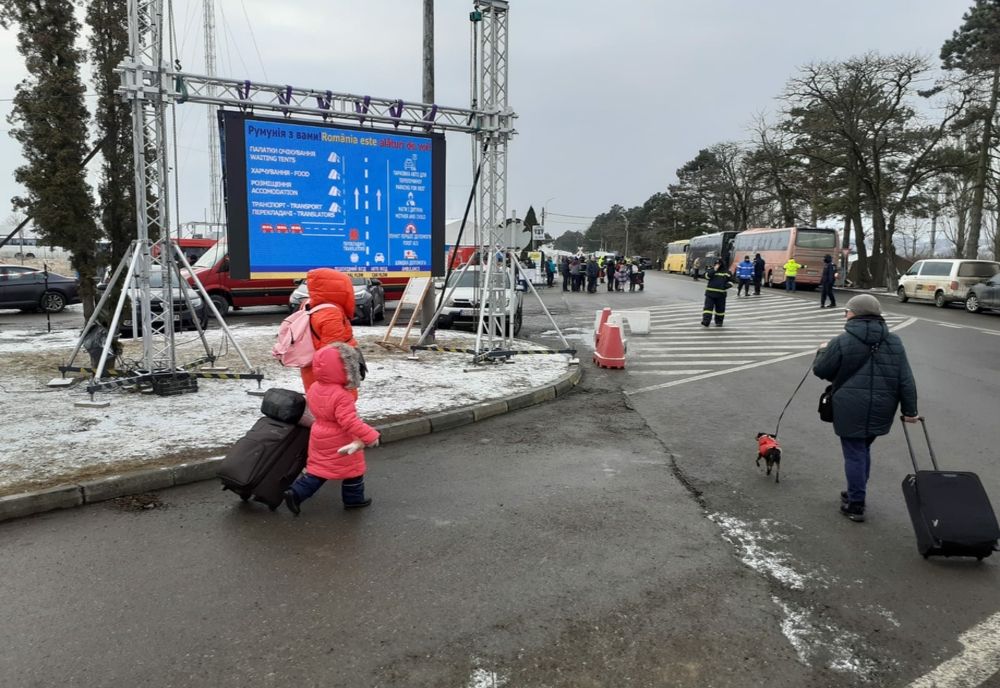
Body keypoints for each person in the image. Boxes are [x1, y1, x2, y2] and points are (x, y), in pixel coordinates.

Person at [813, 294, 919, 523]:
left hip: (850, 406)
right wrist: (910, 411)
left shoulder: (842, 340)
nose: (845, 314)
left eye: (847, 310)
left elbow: (821, 370)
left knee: (854, 453)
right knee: (863, 449)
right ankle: (855, 491)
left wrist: (822, 350)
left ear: (855, 314)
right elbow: (905, 379)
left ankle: (856, 503)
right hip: (883, 406)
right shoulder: (894, 341)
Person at [284, 343, 381, 515]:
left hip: (319, 432)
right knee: (353, 470)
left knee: (319, 469)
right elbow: (349, 421)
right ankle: (354, 499)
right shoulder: (342, 395)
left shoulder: (315, 387)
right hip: (340, 437)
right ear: (345, 369)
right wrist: (370, 435)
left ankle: (297, 492)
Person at [299, 268, 357, 393]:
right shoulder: (331, 313)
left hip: (311, 366)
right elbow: (331, 353)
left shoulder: (308, 305)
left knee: (316, 402)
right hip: (331, 375)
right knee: (334, 407)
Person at [701, 259, 733, 327]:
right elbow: (706, 276)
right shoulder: (712, 270)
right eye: (716, 264)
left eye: (719, 264)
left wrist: (724, 287)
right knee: (708, 309)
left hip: (721, 294)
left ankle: (719, 322)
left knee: (720, 310)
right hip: (710, 294)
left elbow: (731, 282)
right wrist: (714, 270)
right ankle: (706, 321)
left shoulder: (727, 272)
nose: (717, 265)